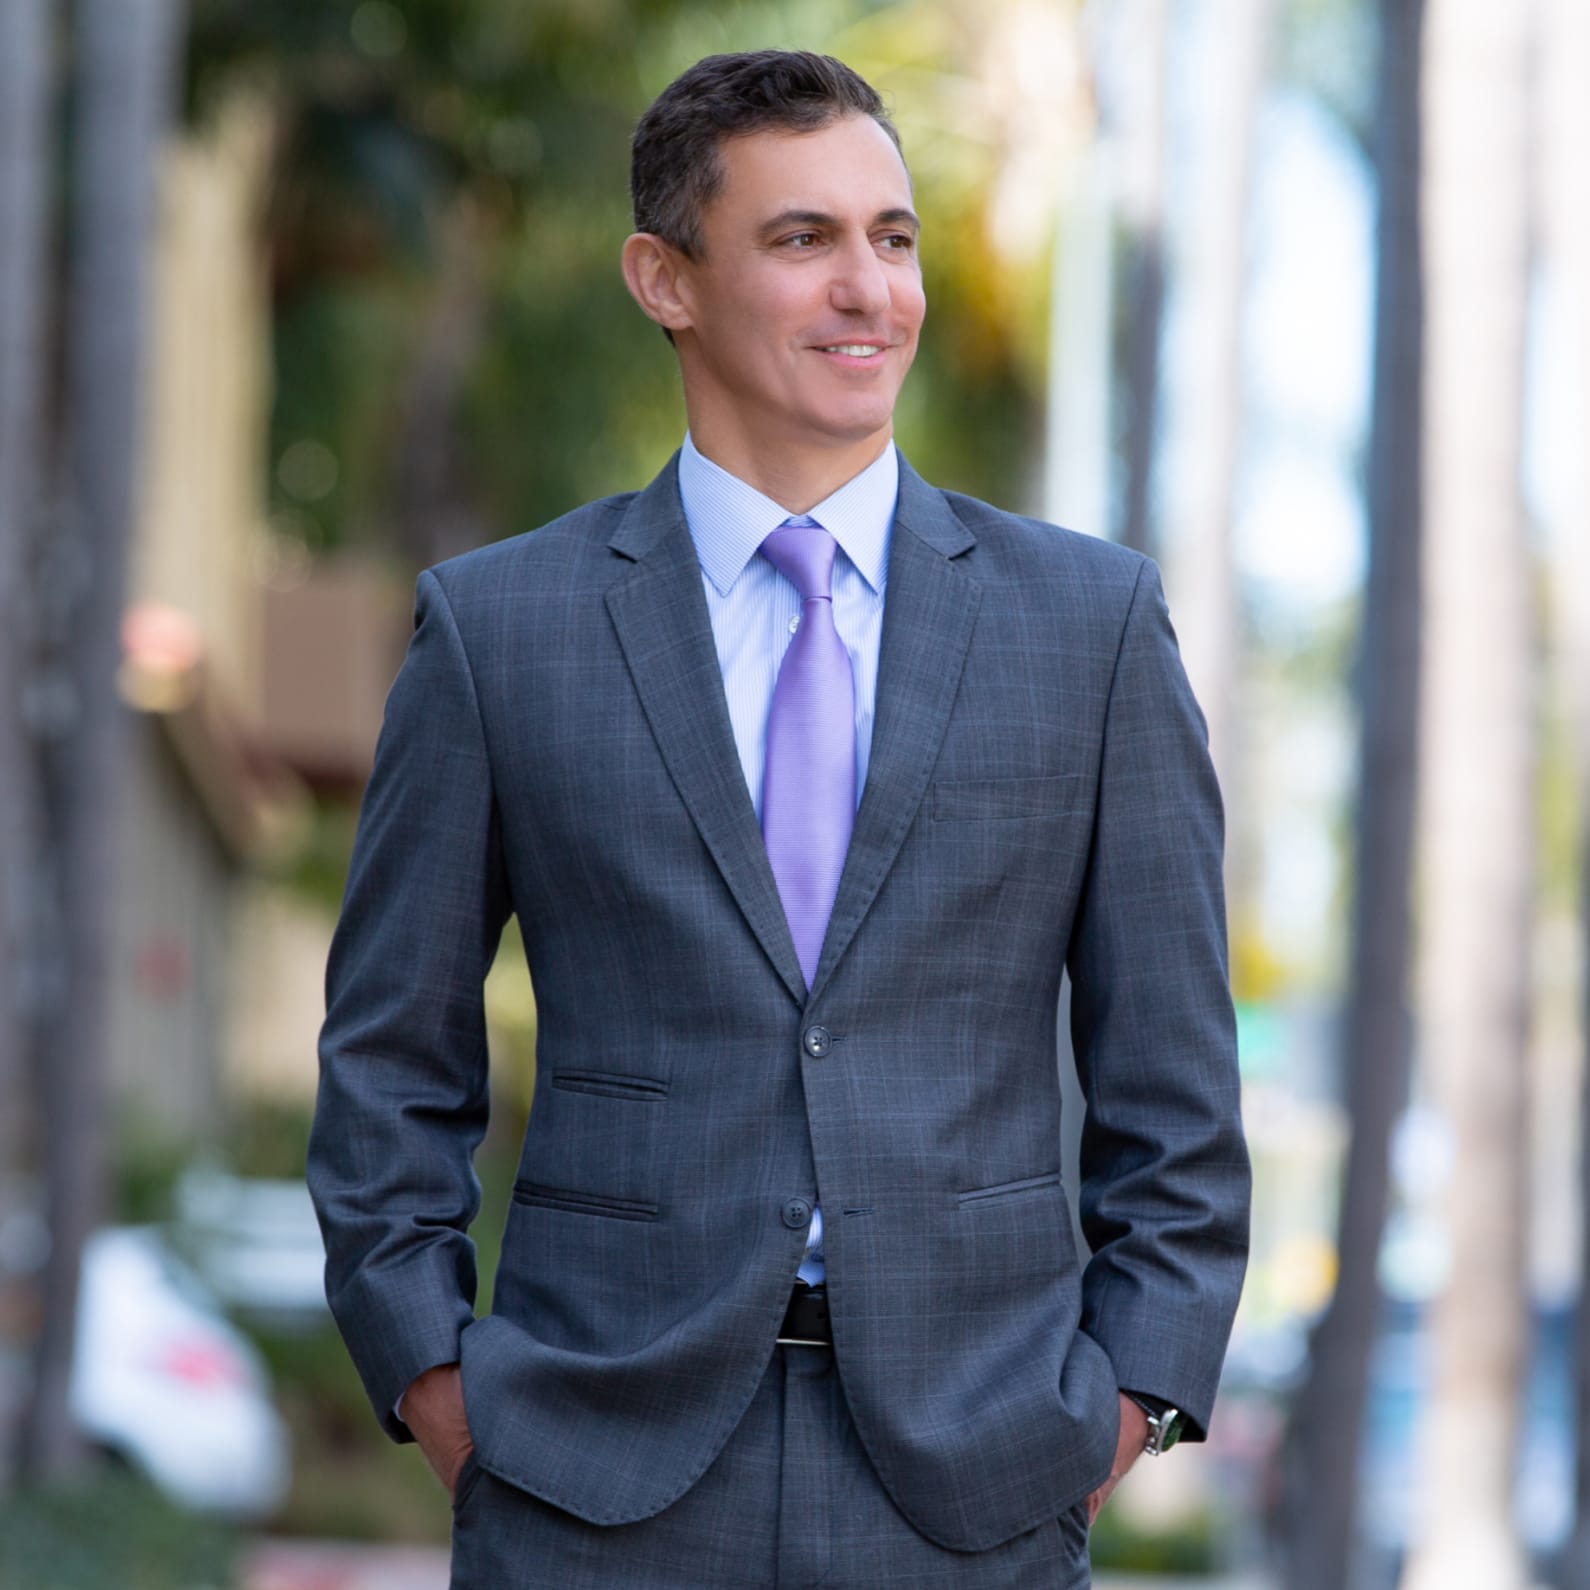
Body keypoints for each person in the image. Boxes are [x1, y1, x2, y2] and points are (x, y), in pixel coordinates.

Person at [307, 48, 1250, 1590]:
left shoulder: (1089, 629)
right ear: (663, 279)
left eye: (891, 237)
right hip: (586, 1475)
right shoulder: (501, 630)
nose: (867, 288)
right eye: (801, 239)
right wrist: (441, 1384)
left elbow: (1175, 1089)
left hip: (979, 1479)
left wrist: (1121, 1407)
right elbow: (388, 1064)